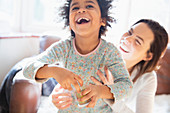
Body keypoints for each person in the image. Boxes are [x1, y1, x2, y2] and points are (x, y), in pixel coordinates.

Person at [22, 0, 133, 112]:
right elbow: (28, 69)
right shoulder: (63, 48)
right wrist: (54, 71)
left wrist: (101, 91)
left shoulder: (109, 52)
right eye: (75, 8)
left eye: (89, 5)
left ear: (102, 20)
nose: (81, 10)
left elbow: (127, 86)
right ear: (70, 24)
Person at [52, 19, 169, 113]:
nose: (127, 39)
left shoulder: (147, 78)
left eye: (137, 41)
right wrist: (56, 96)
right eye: (129, 32)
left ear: (148, 56)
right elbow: (64, 88)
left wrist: (111, 94)